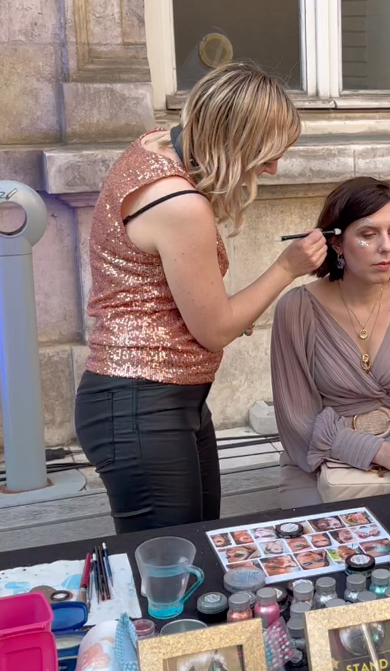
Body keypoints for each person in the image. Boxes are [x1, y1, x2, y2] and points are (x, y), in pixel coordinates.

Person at [74, 62, 327, 533]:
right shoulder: (180, 204)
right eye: (266, 154)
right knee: (172, 571)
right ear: (229, 141)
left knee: (201, 547)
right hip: (141, 402)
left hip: (161, 399)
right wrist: (287, 268)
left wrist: (229, 309)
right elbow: (214, 330)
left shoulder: (153, 147)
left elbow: (160, 290)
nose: (273, 168)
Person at [271, 177, 390, 507]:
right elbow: (296, 420)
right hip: (322, 459)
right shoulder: (296, 308)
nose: (386, 246)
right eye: (368, 234)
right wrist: (381, 453)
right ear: (337, 243)